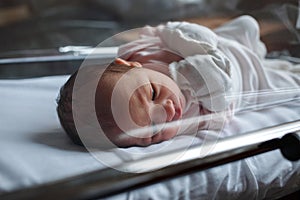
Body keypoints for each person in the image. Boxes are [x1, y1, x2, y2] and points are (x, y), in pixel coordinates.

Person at [57, 16, 300, 148]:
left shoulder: (140, 53)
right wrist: (203, 80)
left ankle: (258, 49)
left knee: (247, 24)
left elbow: (162, 31)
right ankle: (277, 66)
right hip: (250, 79)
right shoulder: (186, 120)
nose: (167, 112)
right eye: (153, 130)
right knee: (290, 83)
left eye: (151, 93)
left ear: (128, 64)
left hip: (225, 45)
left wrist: (182, 38)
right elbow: (223, 110)